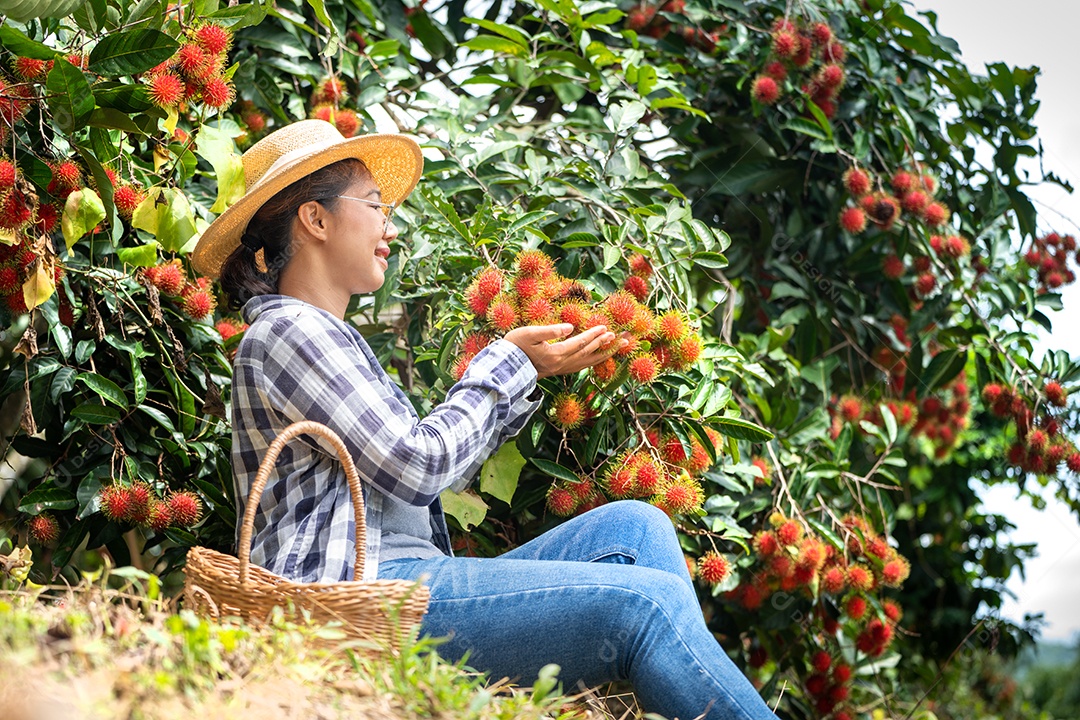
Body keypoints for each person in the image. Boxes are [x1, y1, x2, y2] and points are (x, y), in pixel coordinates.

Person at [192, 119, 779, 720]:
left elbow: (427, 470)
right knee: (644, 608)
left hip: (411, 580)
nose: (389, 225)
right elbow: (418, 466)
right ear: (315, 220)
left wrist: (529, 372)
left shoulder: (327, 336)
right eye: (374, 204)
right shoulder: (288, 330)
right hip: (358, 601)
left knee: (636, 526)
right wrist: (507, 361)